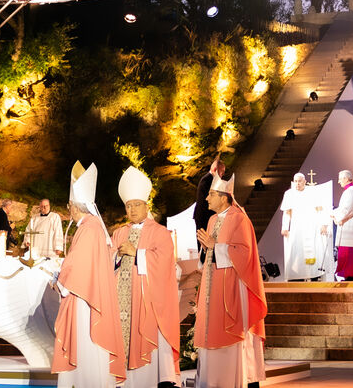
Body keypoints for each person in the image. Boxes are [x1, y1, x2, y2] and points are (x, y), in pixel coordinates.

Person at [53, 162, 126, 388]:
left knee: (86, 342)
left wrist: (58, 280)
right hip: (88, 292)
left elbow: (78, 262)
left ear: (75, 207)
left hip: (85, 297)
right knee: (87, 345)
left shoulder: (89, 227)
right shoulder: (94, 226)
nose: (69, 210)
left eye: (69, 206)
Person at [193, 172, 267, 388]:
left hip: (232, 287)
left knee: (229, 331)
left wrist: (215, 246)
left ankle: (231, 380)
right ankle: (211, 380)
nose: (207, 199)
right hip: (212, 285)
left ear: (224, 197)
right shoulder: (212, 220)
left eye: (211, 194)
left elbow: (245, 253)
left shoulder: (239, 219)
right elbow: (209, 252)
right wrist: (207, 249)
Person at [111, 166, 180, 388]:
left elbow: (165, 262)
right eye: (128, 206)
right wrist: (116, 256)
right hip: (121, 302)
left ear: (146, 206)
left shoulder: (160, 232)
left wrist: (137, 253)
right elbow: (107, 261)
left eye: (136, 205)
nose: (132, 210)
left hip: (147, 303)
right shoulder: (119, 232)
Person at [279, 173, 329, 281]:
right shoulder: (289, 194)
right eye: (295, 181)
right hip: (296, 227)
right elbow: (286, 212)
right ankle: (297, 276)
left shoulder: (312, 192)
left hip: (311, 227)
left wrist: (324, 224)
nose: (297, 183)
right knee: (297, 251)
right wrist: (285, 227)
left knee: (313, 250)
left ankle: (314, 275)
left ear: (305, 181)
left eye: (300, 181)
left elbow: (320, 210)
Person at [331, 170, 353, 281]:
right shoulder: (350, 191)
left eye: (340, 179)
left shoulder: (352, 191)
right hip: (349, 227)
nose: (338, 182)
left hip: (351, 229)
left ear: (346, 179)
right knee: (346, 254)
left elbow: (347, 209)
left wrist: (334, 214)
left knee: (349, 254)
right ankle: (349, 276)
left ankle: (352, 277)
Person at [194, 157, 225, 260]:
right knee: (204, 242)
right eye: (222, 172)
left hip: (205, 216)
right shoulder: (207, 180)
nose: (222, 175)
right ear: (215, 170)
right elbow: (207, 201)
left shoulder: (209, 179)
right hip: (204, 217)